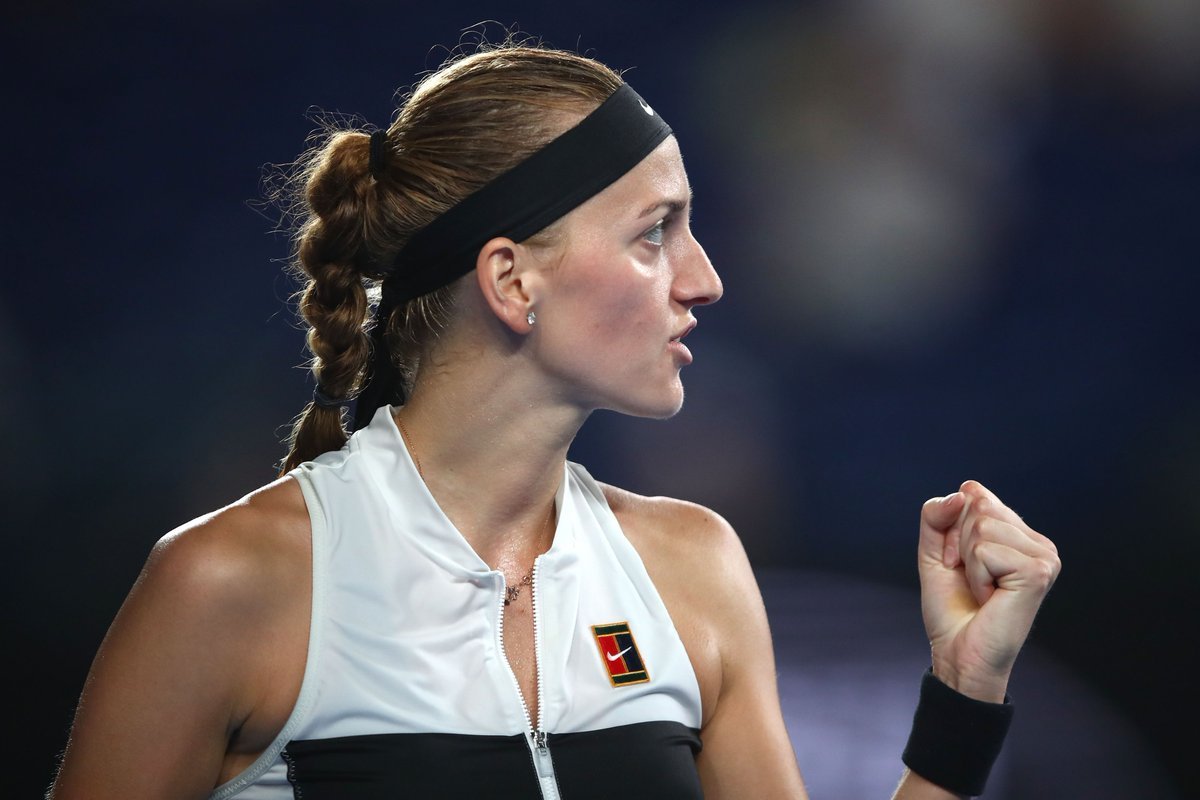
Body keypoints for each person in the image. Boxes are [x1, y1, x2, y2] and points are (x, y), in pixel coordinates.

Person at [48, 41, 1060, 800]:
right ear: (511, 280)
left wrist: (963, 693)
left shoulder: (695, 567)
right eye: (655, 233)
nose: (705, 279)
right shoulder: (228, 582)